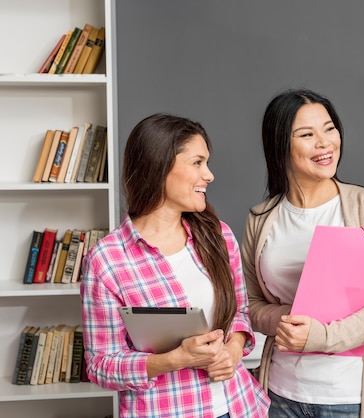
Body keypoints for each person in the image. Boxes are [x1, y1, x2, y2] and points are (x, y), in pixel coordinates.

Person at [80, 113, 270, 418]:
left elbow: (239, 315)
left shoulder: (218, 236)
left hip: (239, 407)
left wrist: (233, 351)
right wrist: (174, 359)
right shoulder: (107, 260)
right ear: (160, 166)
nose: (209, 175)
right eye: (197, 163)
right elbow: (101, 365)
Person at [241, 88, 364, 418]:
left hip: (349, 396)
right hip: (280, 392)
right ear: (281, 146)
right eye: (307, 134)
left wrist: (324, 336)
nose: (325, 143)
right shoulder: (260, 218)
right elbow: (250, 305)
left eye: (329, 128)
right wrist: (283, 319)